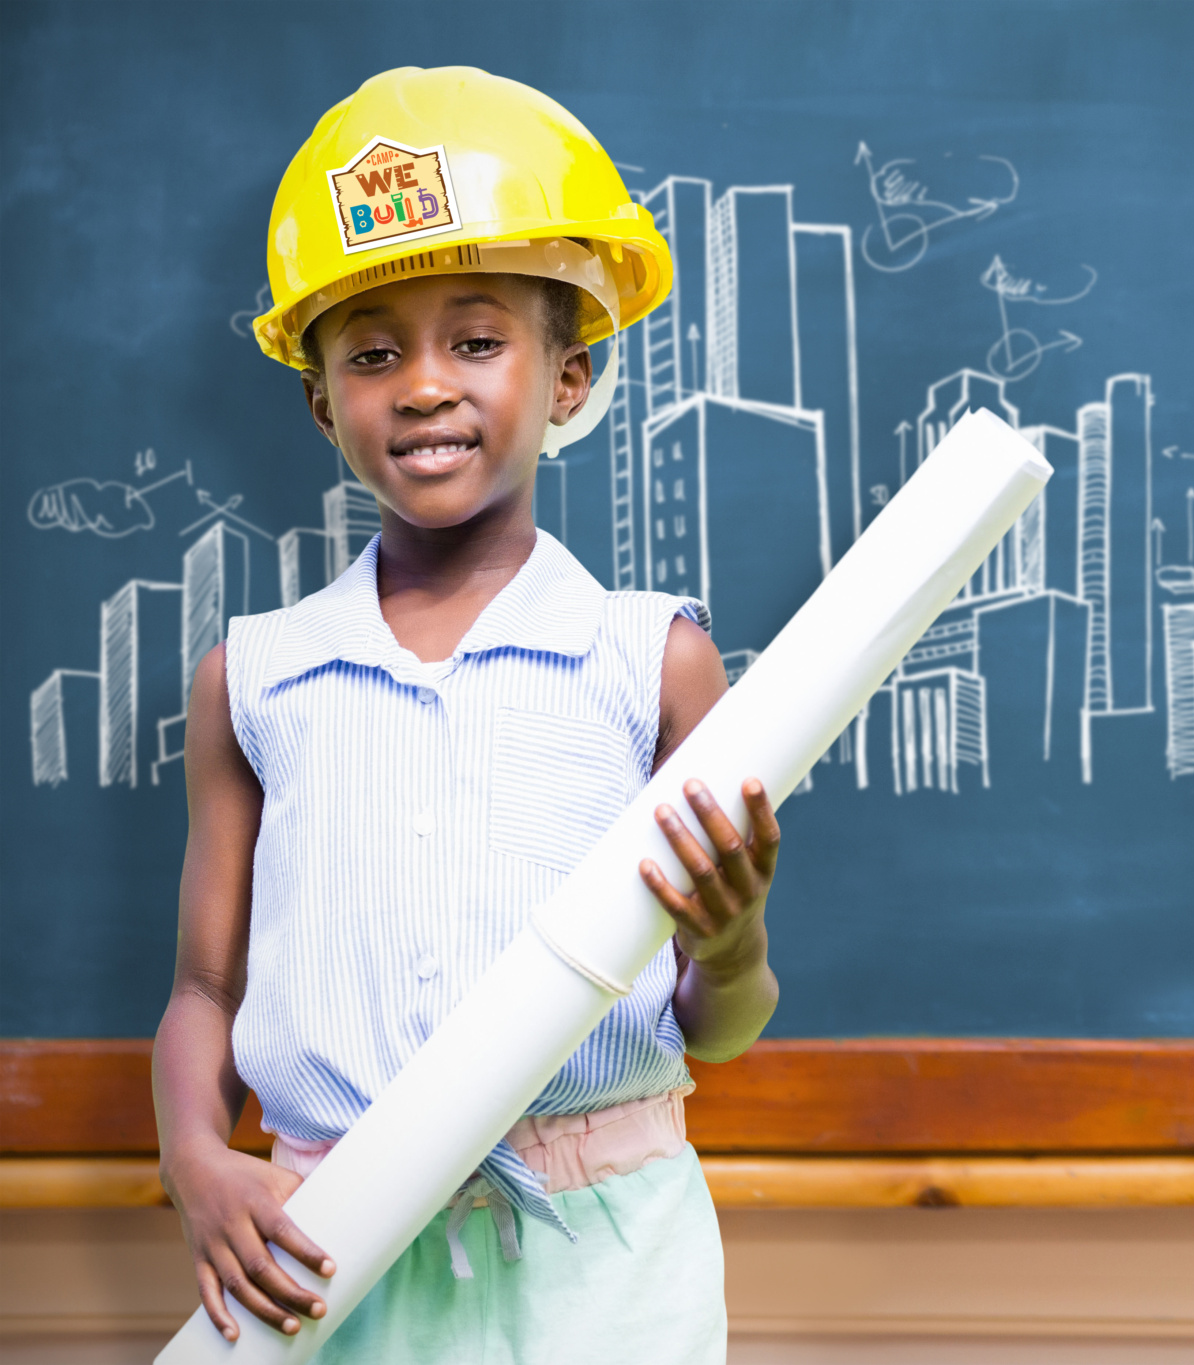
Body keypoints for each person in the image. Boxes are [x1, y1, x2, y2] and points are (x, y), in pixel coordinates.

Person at [151, 66, 776, 1363]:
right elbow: (206, 983)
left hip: (612, 1261)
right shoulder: (253, 678)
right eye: (374, 352)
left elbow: (720, 1021)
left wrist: (734, 942)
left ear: (569, 376)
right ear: (323, 400)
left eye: (477, 339)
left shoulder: (656, 661)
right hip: (332, 1256)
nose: (425, 383)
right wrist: (198, 1159)